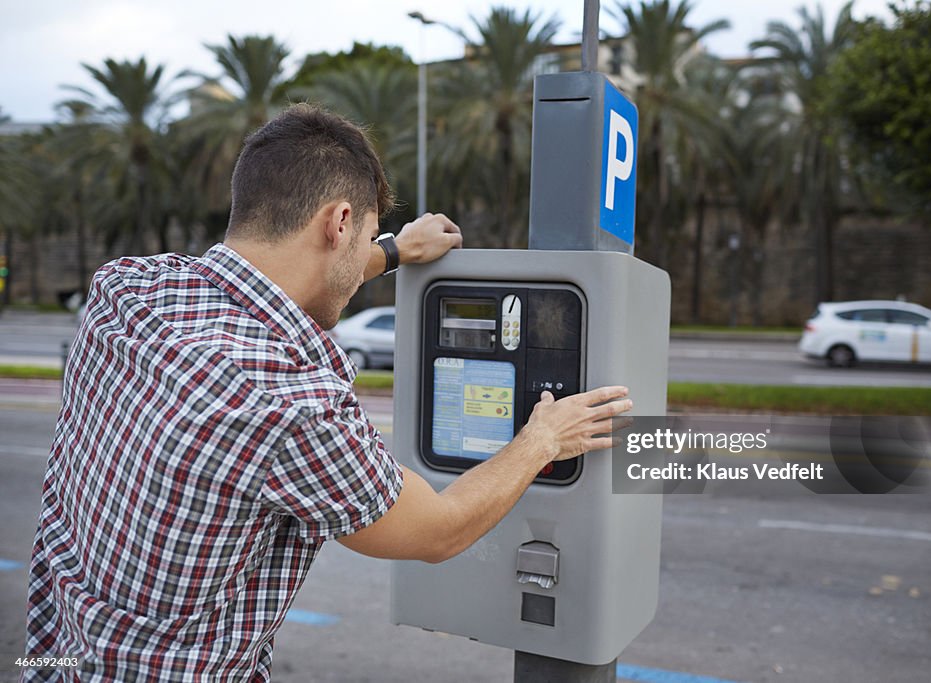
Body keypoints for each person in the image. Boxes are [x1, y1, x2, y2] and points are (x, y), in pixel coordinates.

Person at [22, 103, 630, 681]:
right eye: (367, 231)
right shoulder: (288, 402)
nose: (370, 246)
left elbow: (267, 276)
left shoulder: (129, 290)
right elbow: (438, 529)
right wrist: (543, 437)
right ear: (339, 223)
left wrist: (391, 251)